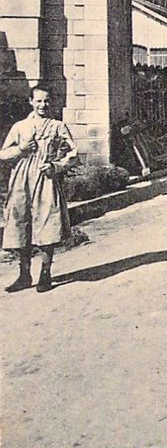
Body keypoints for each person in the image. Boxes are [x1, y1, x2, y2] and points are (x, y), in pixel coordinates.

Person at [0, 84, 77, 293]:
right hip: (21, 179)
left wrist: (55, 166)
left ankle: (45, 273)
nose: (43, 105)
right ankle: (24, 274)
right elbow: (3, 154)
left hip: (46, 179)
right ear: (31, 102)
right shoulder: (20, 127)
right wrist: (21, 149)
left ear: (51, 102)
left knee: (47, 223)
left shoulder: (57, 126)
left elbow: (73, 153)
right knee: (20, 223)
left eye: (46, 101)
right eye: (39, 101)